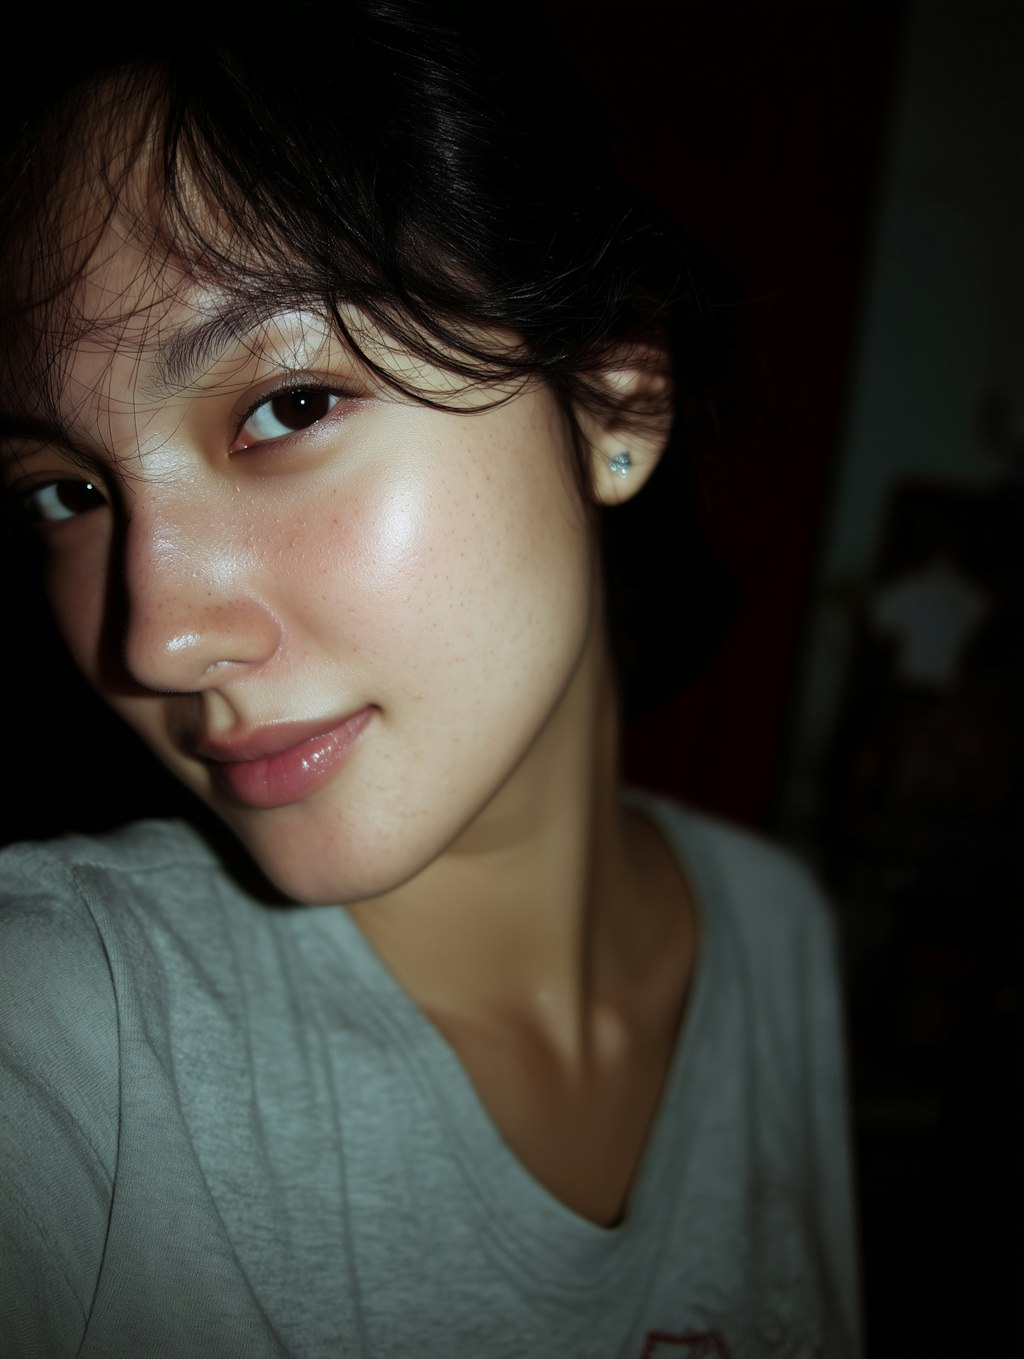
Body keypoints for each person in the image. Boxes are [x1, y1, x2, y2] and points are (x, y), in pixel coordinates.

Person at [0, 3, 861, 1355]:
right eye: (69, 491)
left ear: (615, 396)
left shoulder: (777, 933)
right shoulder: (57, 1025)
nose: (155, 641)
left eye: (287, 406)